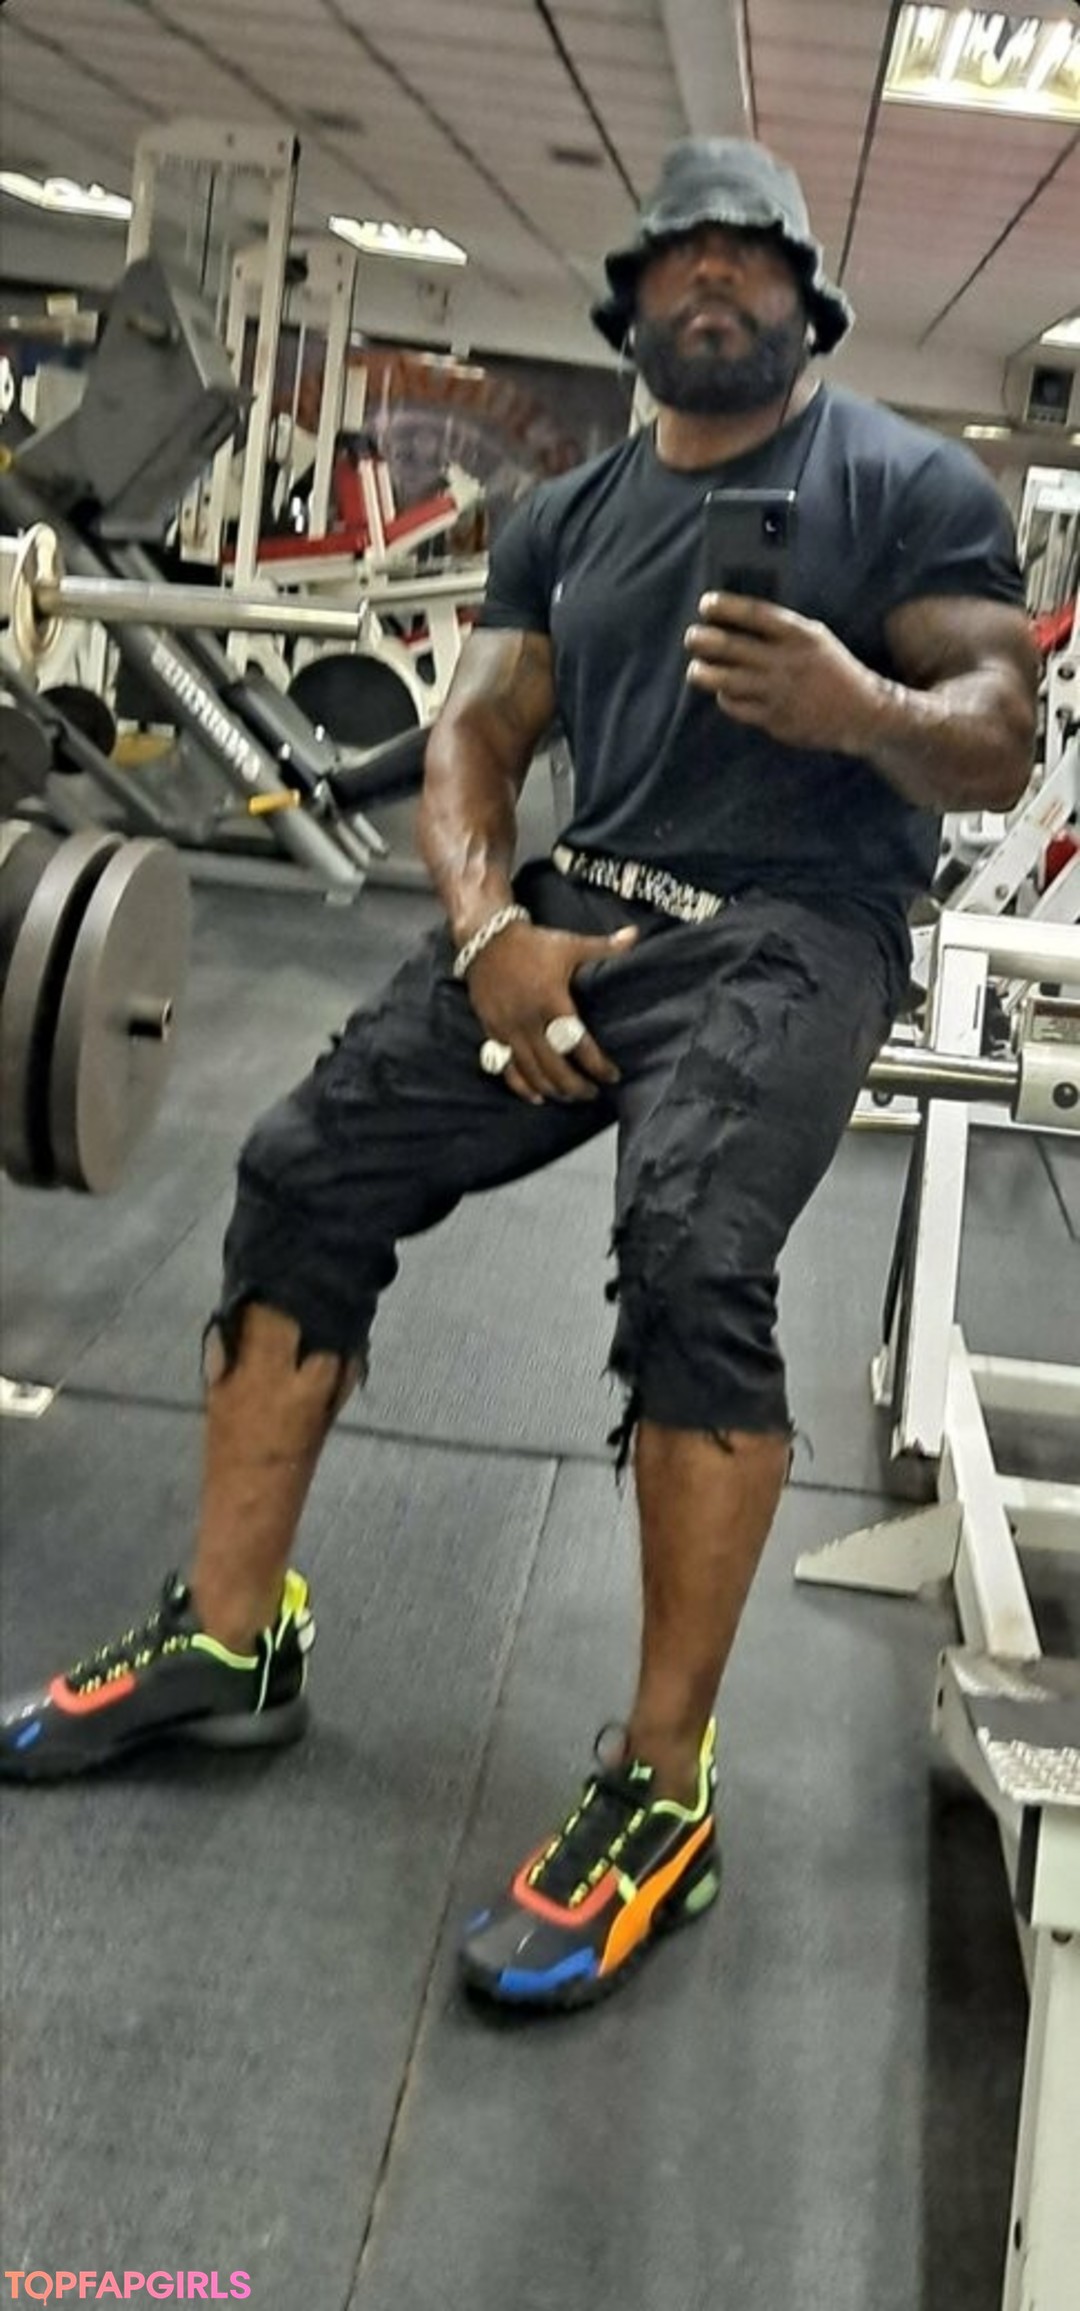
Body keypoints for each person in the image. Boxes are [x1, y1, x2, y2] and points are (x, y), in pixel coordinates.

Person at [1, 140, 1035, 2014]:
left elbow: (996, 729)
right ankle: (230, 1640)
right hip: (578, 915)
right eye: (678, 255)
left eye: (750, 256)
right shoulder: (567, 513)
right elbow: (476, 734)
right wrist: (488, 930)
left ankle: (664, 1787)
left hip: (797, 929)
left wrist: (862, 708)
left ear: (809, 302)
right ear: (626, 304)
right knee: (304, 1164)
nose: (711, 279)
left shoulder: (909, 486)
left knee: (694, 1248)